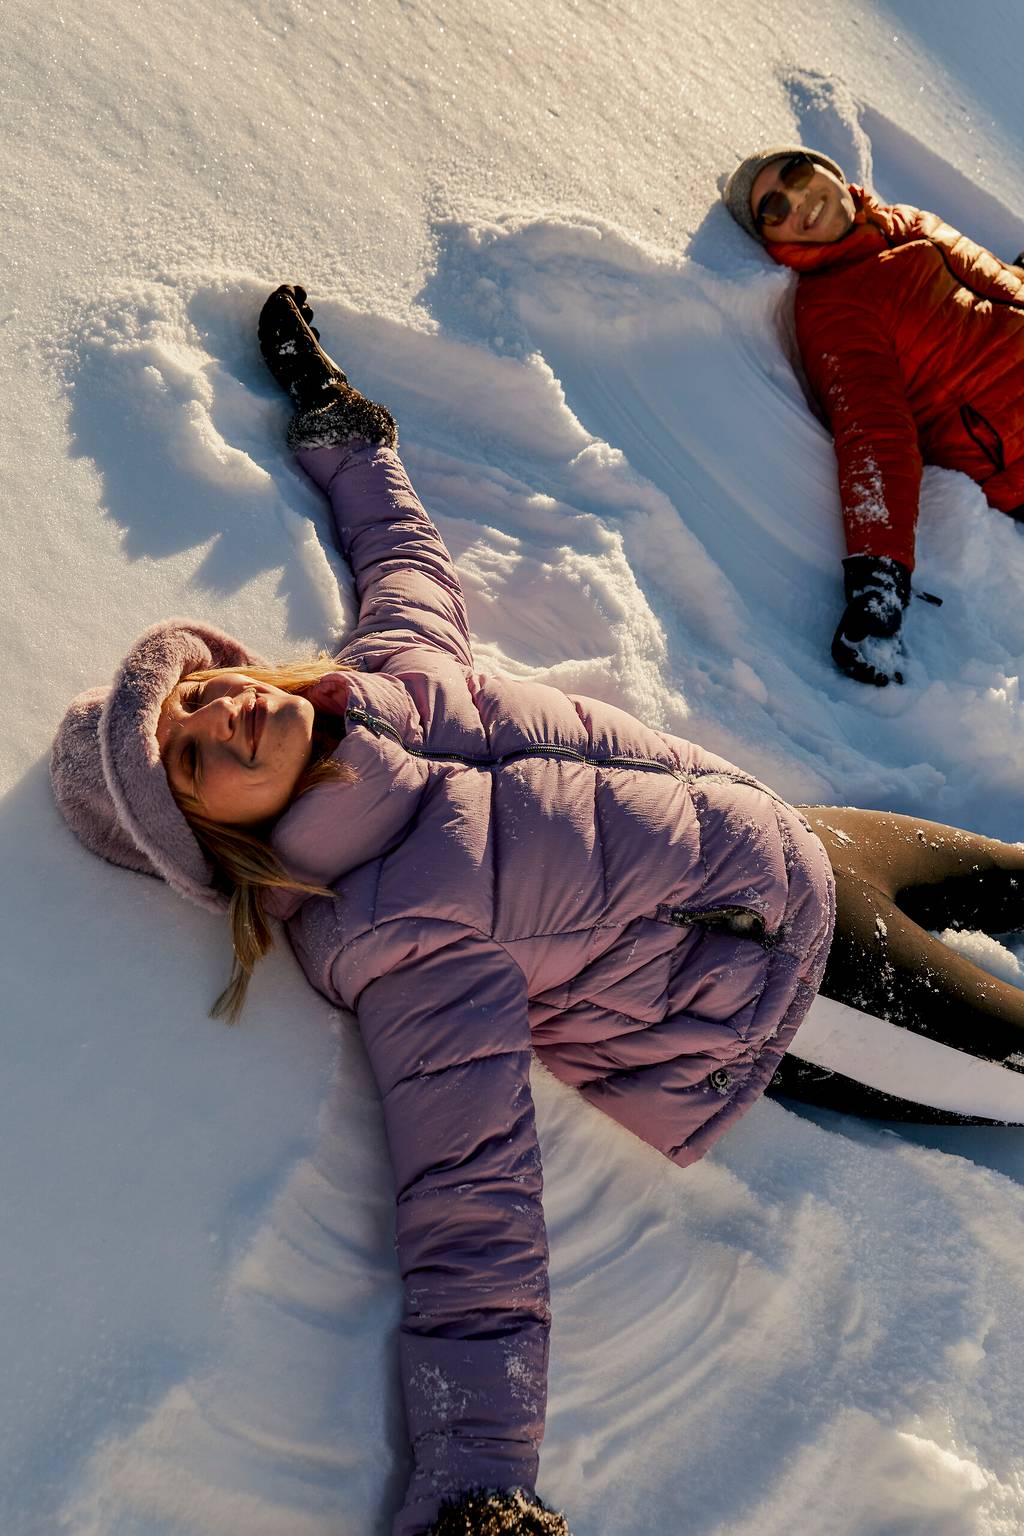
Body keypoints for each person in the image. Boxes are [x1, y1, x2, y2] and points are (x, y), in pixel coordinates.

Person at [49, 288, 1024, 1536]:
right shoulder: (393, 932)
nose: (216, 714)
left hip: (807, 842)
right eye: (189, 759)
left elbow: (401, 558)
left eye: (195, 692)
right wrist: (477, 1474)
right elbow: (470, 1196)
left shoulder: (394, 681)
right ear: (215, 837)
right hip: (807, 1000)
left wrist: (345, 433)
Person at [722, 145, 1024, 687]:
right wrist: (878, 580)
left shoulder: (905, 222)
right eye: (772, 209)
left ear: (828, 170)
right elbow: (873, 435)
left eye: (794, 174)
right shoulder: (833, 307)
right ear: (776, 241)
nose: (795, 199)